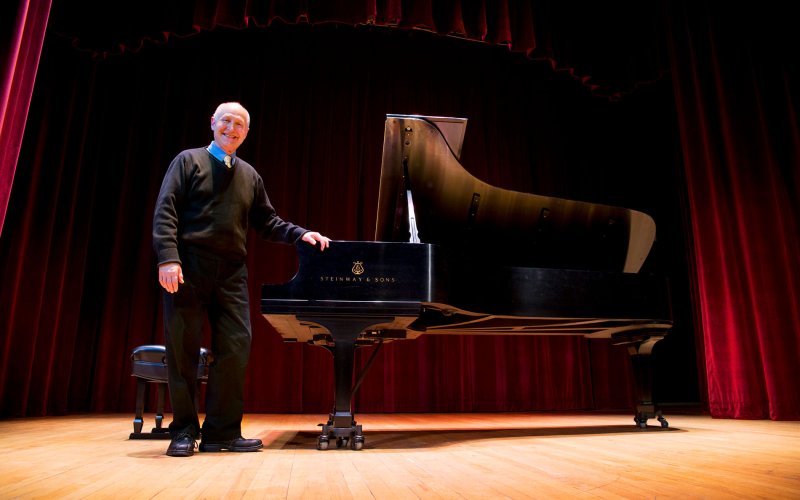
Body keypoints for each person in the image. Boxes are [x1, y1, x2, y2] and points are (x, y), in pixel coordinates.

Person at [152, 102, 330, 457]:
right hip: (188, 267)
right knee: (183, 350)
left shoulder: (249, 175)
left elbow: (267, 221)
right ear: (213, 123)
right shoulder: (188, 161)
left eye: (239, 125)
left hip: (231, 273)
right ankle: (184, 430)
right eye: (226, 121)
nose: (231, 129)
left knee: (236, 346)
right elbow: (165, 210)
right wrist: (168, 258)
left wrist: (300, 233)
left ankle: (222, 432)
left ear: (246, 134)